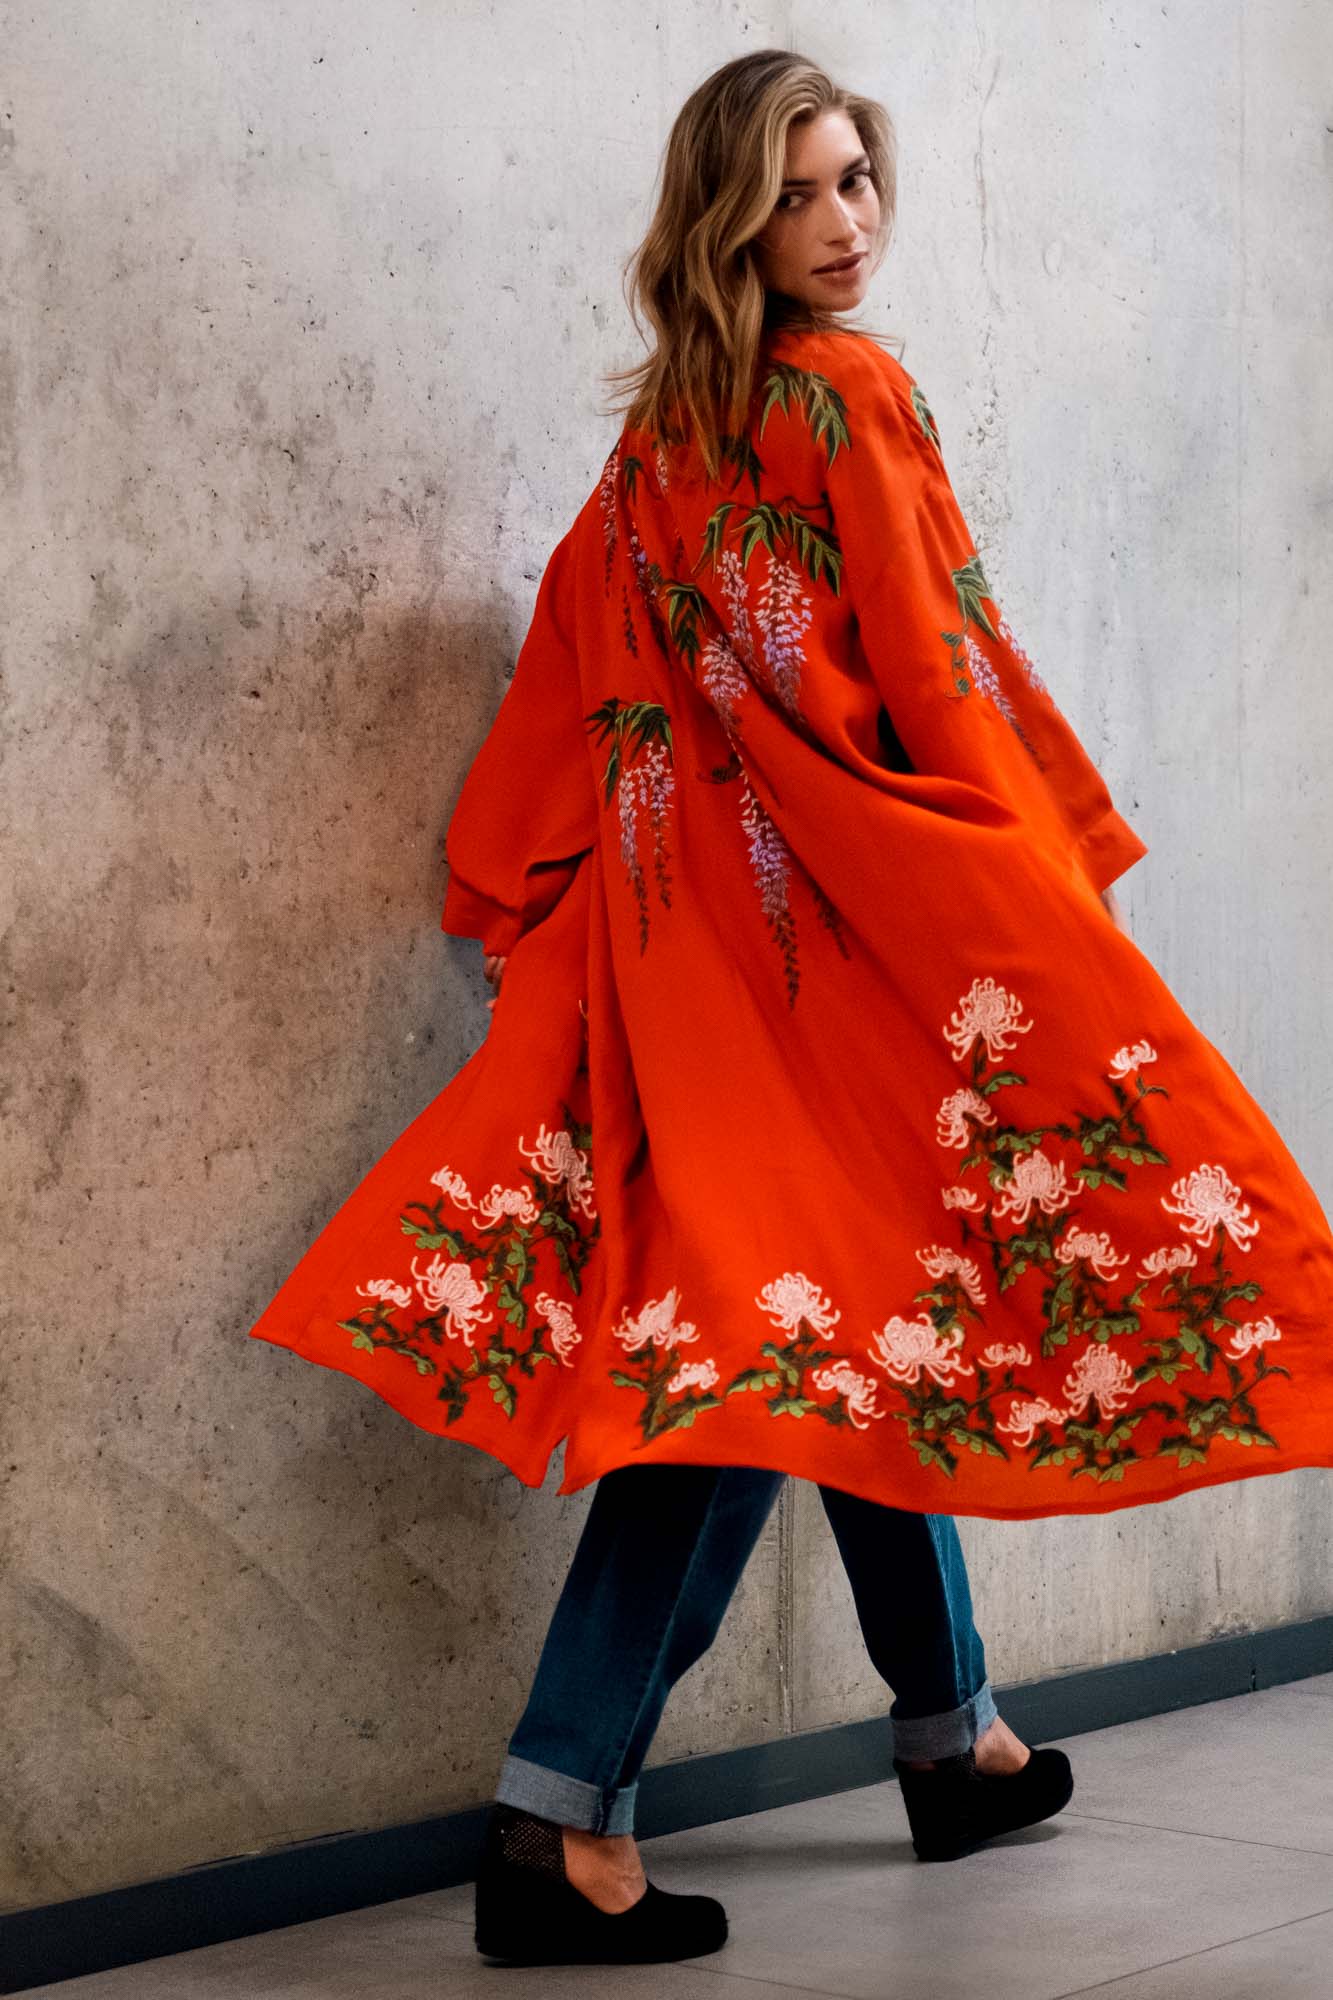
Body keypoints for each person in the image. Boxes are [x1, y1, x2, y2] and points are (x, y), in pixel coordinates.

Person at [247, 41, 1333, 1974]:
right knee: (756, 1354)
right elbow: (938, 669)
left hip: (694, 969)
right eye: (801, 191)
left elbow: (568, 695)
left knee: (850, 1310)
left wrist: (523, 892)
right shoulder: (850, 397)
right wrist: (1035, 882)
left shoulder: (659, 436)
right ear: (724, 217)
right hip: (819, 968)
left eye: (856, 183)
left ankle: (952, 1739)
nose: (844, 227)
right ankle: (554, 1818)